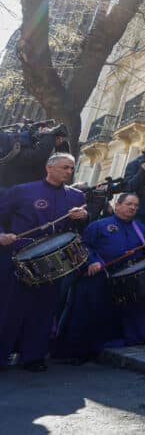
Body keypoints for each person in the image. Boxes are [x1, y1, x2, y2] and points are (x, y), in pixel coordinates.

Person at [0, 153, 88, 371]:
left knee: (44, 309)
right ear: (49, 167)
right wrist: (1, 235)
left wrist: (84, 217)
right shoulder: (21, 191)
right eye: (64, 167)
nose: (69, 172)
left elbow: (80, 229)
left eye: (71, 168)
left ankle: (33, 356)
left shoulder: (76, 196)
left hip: (54, 261)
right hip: (19, 257)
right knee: (10, 308)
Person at [53, 193, 145, 363]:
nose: (133, 208)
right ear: (117, 205)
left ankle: (131, 337)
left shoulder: (141, 228)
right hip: (100, 276)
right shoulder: (98, 225)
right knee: (88, 311)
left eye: (136, 205)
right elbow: (84, 246)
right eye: (129, 204)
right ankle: (77, 351)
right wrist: (93, 261)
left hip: (127, 279)